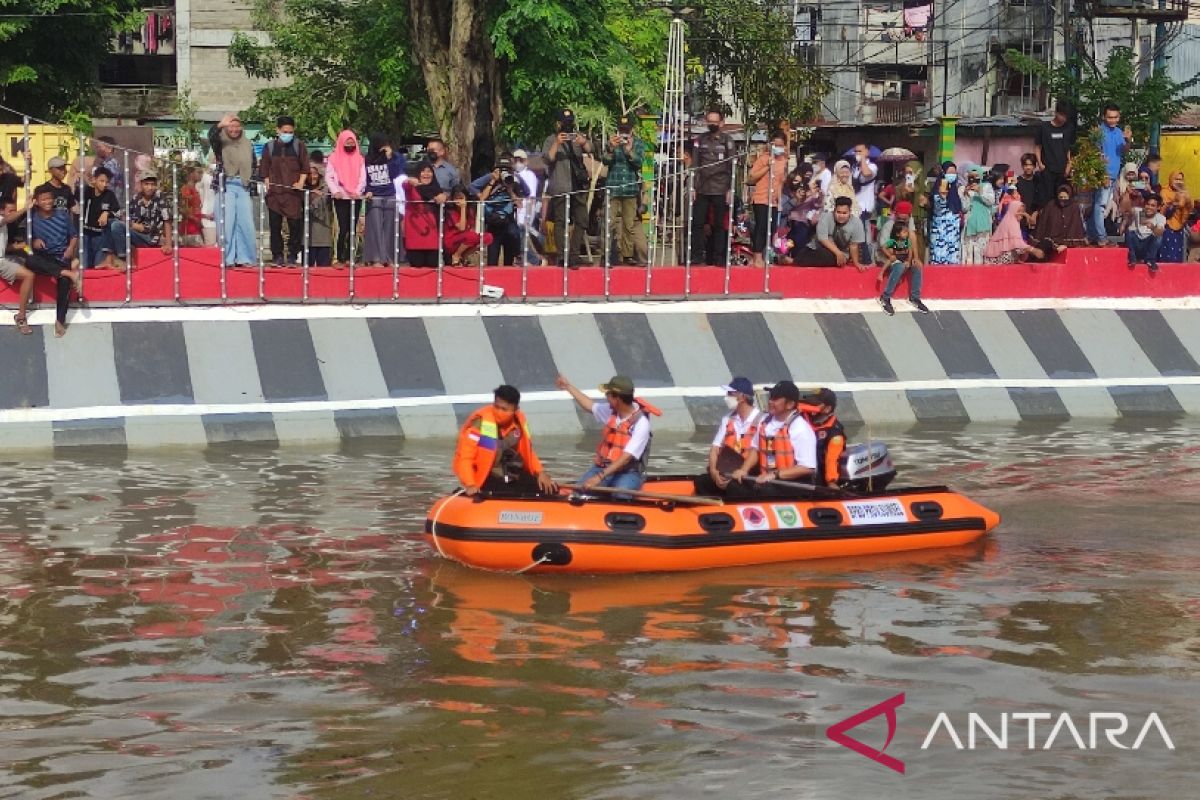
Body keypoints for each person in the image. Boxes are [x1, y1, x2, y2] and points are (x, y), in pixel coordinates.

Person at [556, 373, 660, 495]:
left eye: (608, 395)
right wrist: (567, 386)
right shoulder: (611, 411)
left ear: (617, 400)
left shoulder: (641, 424)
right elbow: (589, 405)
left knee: (620, 494)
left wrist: (599, 477)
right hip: (603, 468)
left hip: (628, 472)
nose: (606, 397)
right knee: (579, 493)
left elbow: (625, 459)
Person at [453, 385, 558, 496]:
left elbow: (528, 452)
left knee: (550, 491)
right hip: (486, 476)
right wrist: (470, 484)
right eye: (497, 407)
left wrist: (540, 472)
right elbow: (465, 458)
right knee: (508, 494)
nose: (499, 412)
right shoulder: (478, 426)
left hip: (511, 473)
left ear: (515, 409)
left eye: (504, 409)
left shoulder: (518, 424)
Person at [726, 380, 817, 498]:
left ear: (789, 404)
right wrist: (744, 470)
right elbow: (755, 450)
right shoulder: (764, 422)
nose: (770, 401)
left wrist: (775, 475)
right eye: (771, 397)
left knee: (765, 492)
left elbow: (806, 468)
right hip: (768, 479)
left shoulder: (800, 428)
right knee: (734, 486)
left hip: (792, 484)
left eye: (775, 399)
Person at [694, 377, 764, 496]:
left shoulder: (762, 420)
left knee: (735, 488)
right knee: (701, 481)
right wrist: (713, 471)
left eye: (730, 393)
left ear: (742, 397)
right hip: (727, 470)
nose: (726, 397)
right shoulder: (727, 419)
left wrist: (742, 471)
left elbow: (756, 452)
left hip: (748, 473)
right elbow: (715, 448)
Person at [26, 186, 81, 337]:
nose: (48, 202)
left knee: (64, 283)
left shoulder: (62, 215)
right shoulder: (32, 216)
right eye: (43, 199)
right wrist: (34, 242)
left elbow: (74, 235)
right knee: (29, 261)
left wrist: (70, 248)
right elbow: (25, 240)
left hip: (61, 256)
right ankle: (68, 272)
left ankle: (59, 321)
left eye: (50, 198)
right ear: (36, 202)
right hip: (44, 257)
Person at [542, 109, 591, 267]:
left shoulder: (576, 138)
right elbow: (547, 159)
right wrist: (557, 143)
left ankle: (574, 254)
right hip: (560, 186)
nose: (567, 126)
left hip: (577, 186)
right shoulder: (551, 139)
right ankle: (563, 256)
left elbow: (591, 150)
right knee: (561, 222)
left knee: (582, 220)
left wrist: (584, 143)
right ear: (558, 124)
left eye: (570, 122)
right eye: (564, 123)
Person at [208, 112, 258, 268]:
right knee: (227, 223)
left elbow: (254, 165)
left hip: (243, 186)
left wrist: (255, 185)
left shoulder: (247, 144)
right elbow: (211, 136)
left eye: (237, 126)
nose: (235, 129)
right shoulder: (220, 142)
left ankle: (245, 258)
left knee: (246, 224)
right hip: (226, 186)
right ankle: (227, 258)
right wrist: (220, 125)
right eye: (231, 126)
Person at [259, 115, 310, 266]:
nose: (288, 134)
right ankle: (277, 256)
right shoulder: (269, 147)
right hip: (275, 194)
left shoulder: (299, 146)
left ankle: (293, 255)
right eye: (285, 131)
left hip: (293, 194)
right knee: (275, 226)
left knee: (295, 226)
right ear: (278, 130)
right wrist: (268, 184)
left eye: (290, 132)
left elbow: (305, 168)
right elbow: (264, 169)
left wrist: (300, 183)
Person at [691, 108, 736, 266]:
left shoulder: (727, 140)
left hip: (721, 188)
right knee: (697, 223)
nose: (711, 124)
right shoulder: (699, 140)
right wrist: (692, 188)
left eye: (715, 122)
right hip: (702, 187)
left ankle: (719, 257)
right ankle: (696, 256)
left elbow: (732, 166)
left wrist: (731, 189)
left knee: (719, 225)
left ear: (721, 123)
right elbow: (694, 165)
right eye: (709, 121)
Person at [604, 115, 647, 266]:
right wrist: (611, 148)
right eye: (621, 131)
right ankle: (607, 255)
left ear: (632, 131)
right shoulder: (612, 143)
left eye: (626, 131)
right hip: (613, 188)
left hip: (630, 189)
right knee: (609, 223)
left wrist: (629, 151)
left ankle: (627, 255)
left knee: (629, 225)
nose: (624, 134)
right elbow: (605, 160)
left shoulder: (639, 144)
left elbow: (639, 163)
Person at [471, 153, 525, 266]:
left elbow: (520, 204)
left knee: (513, 236)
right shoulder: (490, 177)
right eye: (501, 169)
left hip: (508, 221)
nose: (504, 172)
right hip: (493, 222)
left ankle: (517, 256)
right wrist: (492, 181)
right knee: (492, 261)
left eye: (507, 169)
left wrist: (510, 189)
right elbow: (479, 195)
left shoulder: (515, 179)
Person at [877, 200, 928, 315]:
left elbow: (912, 239)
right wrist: (894, 256)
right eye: (900, 219)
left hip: (902, 254)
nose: (903, 221)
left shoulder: (909, 221)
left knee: (917, 266)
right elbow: (883, 246)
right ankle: (885, 297)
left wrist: (914, 258)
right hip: (888, 255)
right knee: (899, 266)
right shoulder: (889, 225)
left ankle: (915, 298)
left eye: (905, 219)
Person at [1091, 104, 1132, 246]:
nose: (1112, 120)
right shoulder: (1099, 132)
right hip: (1104, 175)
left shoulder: (1119, 132)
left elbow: (1125, 150)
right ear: (1104, 117)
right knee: (1100, 205)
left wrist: (1128, 140)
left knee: (1103, 205)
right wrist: (1102, 174)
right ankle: (1101, 237)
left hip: (1114, 174)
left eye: (1115, 117)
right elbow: (1095, 154)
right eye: (1109, 117)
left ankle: (1093, 235)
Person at [362, 133, 405, 266]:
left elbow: (396, 174)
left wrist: (390, 157)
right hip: (374, 197)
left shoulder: (395, 157)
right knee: (375, 228)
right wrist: (367, 190)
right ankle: (376, 258)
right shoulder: (366, 160)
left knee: (390, 228)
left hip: (390, 195)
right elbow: (364, 178)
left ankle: (389, 257)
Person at [747, 132, 789, 267]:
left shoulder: (783, 161)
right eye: (775, 145)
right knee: (761, 226)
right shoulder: (763, 159)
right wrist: (767, 167)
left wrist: (780, 200)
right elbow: (751, 177)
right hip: (761, 198)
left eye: (780, 145)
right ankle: (757, 257)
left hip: (774, 200)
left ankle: (764, 256)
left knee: (771, 228)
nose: (777, 148)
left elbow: (780, 182)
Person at [326, 130, 365, 266]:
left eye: (352, 142)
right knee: (341, 228)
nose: (350, 145)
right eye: (347, 142)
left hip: (356, 197)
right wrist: (335, 191)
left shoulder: (360, 158)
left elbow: (363, 177)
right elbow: (329, 177)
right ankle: (338, 257)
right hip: (340, 198)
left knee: (353, 228)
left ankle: (351, 257)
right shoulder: (333, 158)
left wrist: (357, 191)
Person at [0, 198, 37, 335]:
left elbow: (6, 247)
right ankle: (21, 316)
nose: (13, 214)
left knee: (31, 262)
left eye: (14, 210)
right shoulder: (3, 220)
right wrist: (25, 209)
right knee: (29, 276)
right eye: (10, 211)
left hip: (6, 256)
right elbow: (7, 219)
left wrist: (23, 247)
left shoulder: (10, 226)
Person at [81, 167, 126, 270]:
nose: (105, 184)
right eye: (101, 181)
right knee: (84, 266)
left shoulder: (110, 195)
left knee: (98, 266)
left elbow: (118, 213)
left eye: (107, 182)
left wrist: (107, 213)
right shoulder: (86, 192)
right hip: (86, 234)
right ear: (94, 180)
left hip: (101, 236)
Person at [800, 388, 845, 488]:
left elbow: (832, 461)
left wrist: (831, 482)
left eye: (814, 405)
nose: (810, 407)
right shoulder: (802, 419)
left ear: (827, 409)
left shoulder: (834, 432)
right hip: (798, 474)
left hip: (818, 481)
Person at [402, 164, 446, 267]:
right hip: (415, 237)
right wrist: (410, 180)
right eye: (423, 171)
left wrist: (444, 197)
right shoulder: (412, 187)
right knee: (417, 266)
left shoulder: (437, 190)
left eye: (429, 171)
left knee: (433, 266)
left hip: (433, 237)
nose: (426, 174)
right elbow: (405, 185)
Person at [442, 185, 490, 266]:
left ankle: (464, 256)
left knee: (488, 237)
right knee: (471, 236)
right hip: (451, 241)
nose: (458, 201)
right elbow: (462, 228)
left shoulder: (470, 210)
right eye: (456, 198)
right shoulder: (451, 212)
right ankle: (456, 255)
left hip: (464, 239)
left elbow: (471, 228)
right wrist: (463, 208)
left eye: (461, 198)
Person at [127, 171, 173, 255]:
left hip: (155, 238)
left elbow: (167, 220)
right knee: (117, 226)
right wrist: (133, 225)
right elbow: (126, 216)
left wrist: (168, 244)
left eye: (152, 184)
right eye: (147, 184)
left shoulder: (160, 197)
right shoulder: (135, 198)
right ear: (141, 185)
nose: (150, 187)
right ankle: (124, 257)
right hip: (139, 236)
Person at [1034, 101, 1075, 193]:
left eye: (1066, 116)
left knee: (1063, 196)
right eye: (1062, 115)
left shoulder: (1069, 128)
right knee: (1047, 197)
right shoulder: (1044, 128)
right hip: (1048, 169)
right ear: (1056, 113)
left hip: (1063, 169)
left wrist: (1069, 164)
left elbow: (1070, 148)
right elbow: (1038, 147)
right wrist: (1040, 164)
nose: (1064, 118)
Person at [1033, 184, 1087, 249]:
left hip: (1069, 242)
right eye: (1061, 197)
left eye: (1065, 197)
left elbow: (1075, 226)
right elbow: (1043, 223)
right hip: (1051, 241)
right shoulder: (1051, 205)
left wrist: (1066, 244)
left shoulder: (1074, 207)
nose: (1063, 199)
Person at [928, 165, 963, 264]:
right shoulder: (937, 190)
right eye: (950, 172)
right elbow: (938, 209)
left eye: (954, 173)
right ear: (943, 173)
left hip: (953, 237)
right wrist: (942, 197)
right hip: (940, 234)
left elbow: (961, 208)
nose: (952, 175)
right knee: (939, 260)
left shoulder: (956, 190)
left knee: (952, 263)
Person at [961, 166, 996, 264]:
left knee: (981, 251)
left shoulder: (986, 186)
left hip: (983, 224)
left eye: (976, 176)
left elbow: (990, 201)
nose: (973, 178)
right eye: (971, 176)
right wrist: (966, 195)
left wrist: (979, 191)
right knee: (969, 252)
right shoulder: (963, 188)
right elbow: (964, 208)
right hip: (969, 224)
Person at [1124, 193, 1165, 273]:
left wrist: (1153, 227)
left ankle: (1150, 260)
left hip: (1147, 248)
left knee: (1159, 235)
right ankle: (1132, 258)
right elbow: (1127, 209)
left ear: (1158, 208)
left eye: (1153, 206)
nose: (1149, 207)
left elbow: (1160, 231)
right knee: (1129, 231)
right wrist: (1128, 195)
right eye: (1148, 204)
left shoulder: (1160, 218)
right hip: (1136, 245)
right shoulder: (1139, 212)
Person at [983, 199, 1031, 264]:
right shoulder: (1011, 223)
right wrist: (1033, 250)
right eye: (1019, 211)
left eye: (1023, 212)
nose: (1022, 214)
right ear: (1013, 210)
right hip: (998, 261)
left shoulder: (1011, 221)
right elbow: (1017, 246)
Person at [1159, 171, 1192, 263]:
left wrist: (1185, 196)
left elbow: (1190, 206)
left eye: (1181, 180)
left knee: (1178, 254)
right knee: (1168, 254)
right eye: (1176, 179)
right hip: (1167, 226)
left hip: (1180, 226)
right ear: (1171, 179)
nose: (1179, 182)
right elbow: (1165, 209)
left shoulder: (1184, 192)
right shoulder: (1164, 192)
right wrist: (1177, 203)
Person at [304, 163, 334, 266]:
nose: (313, 176)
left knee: (324, 271)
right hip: (307, 238)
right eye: (309, 174)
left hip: (324, 238)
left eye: (315, 173)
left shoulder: (326, 189)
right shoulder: (301, 191)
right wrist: (310, 194)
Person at [1015, 153, 1046, 238]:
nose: (1028, 167)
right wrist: (1026, 215)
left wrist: (1035, 214)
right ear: (1022, 166)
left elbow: (1042, 200)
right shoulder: (1017, 182)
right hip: (1021, 219)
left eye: (1031, 165)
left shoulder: (1039, 181)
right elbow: (1015, 202)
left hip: (1037, 220)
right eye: (1026, 165)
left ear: (1035, 166)